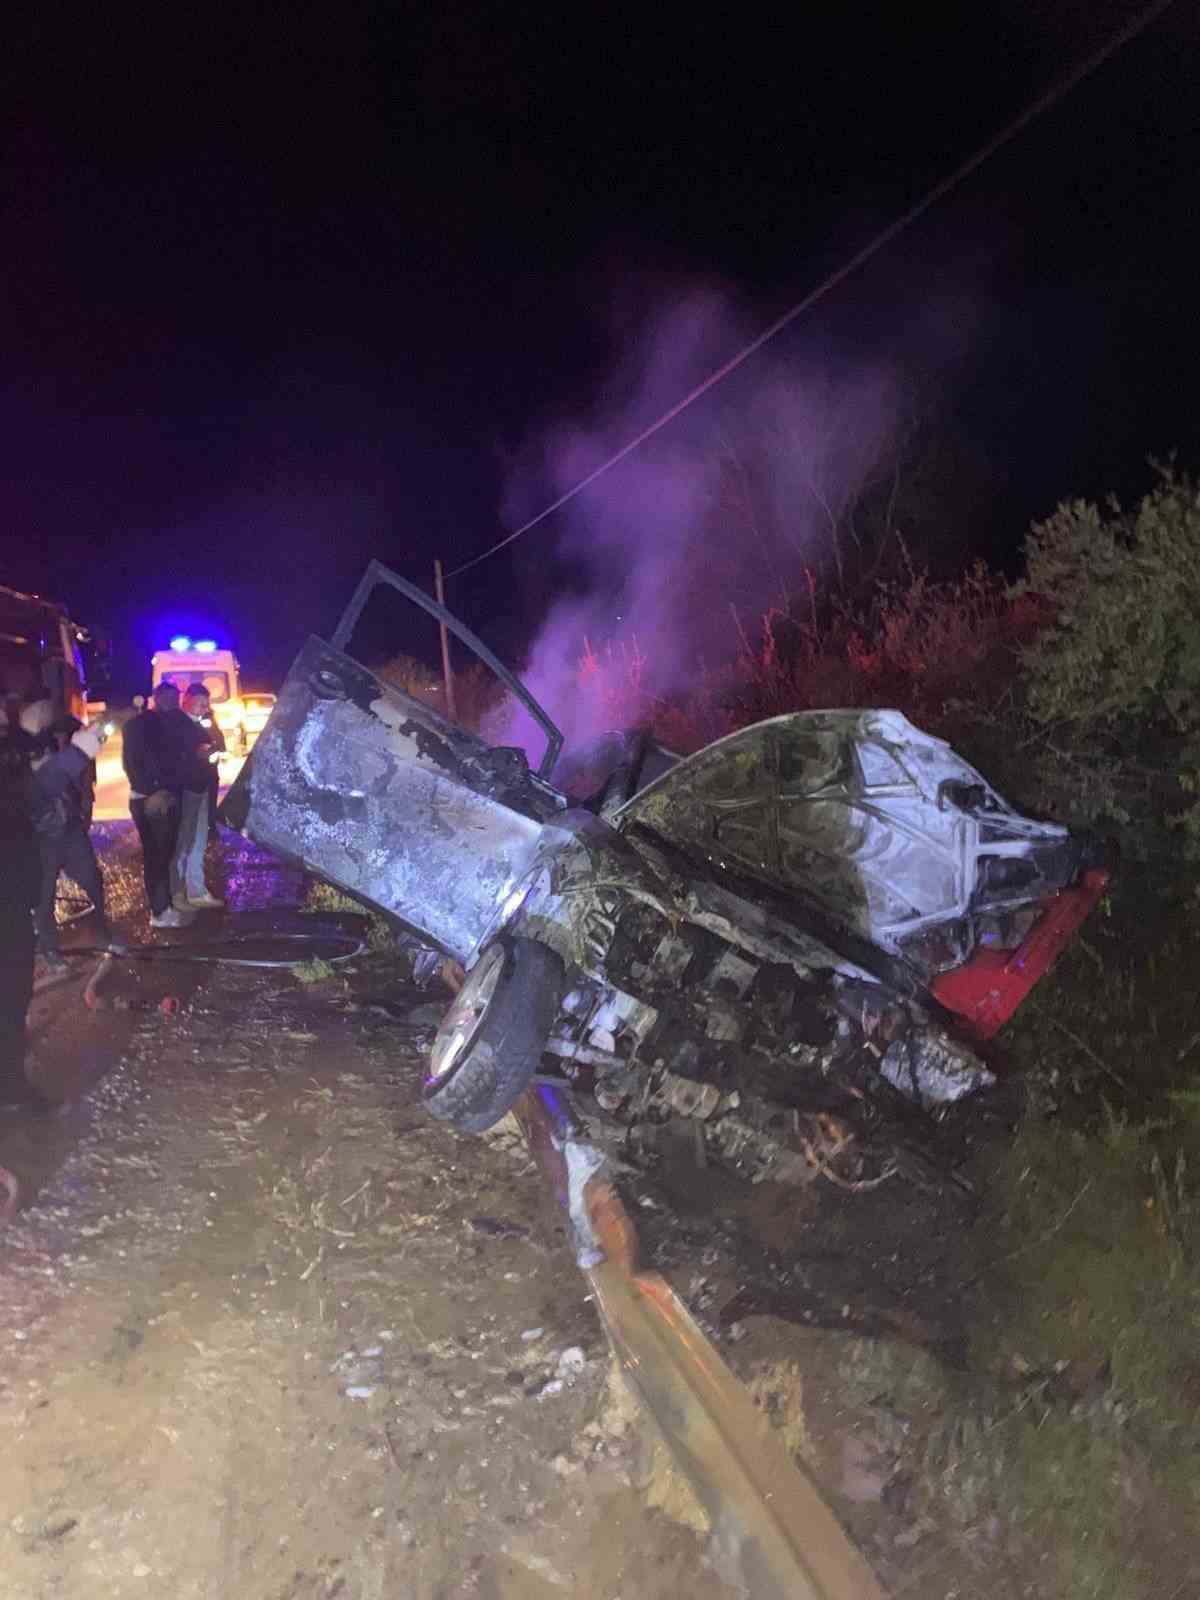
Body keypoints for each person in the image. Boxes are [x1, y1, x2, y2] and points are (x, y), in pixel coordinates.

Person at [29, 716, 127, 974]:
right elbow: (52, 777)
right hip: (42, 839)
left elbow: (78, 785)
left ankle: (102, 935)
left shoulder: (57, 750)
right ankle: (50, 949)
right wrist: (82, 748)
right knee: (43, 896)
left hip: (70, 832)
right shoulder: (29, 759)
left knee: (93, 881)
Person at [0, 708, 56, 1112]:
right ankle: (11, 1088)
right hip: (8, 901)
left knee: (14, 996)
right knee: (9, 996)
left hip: (14, 899)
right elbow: (28, 799)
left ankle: (11, 1085)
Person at [122, 682, 193, 928]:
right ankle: (160, 911)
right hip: (149, 798)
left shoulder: (176, 722)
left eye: (175, 697)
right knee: (156, 855)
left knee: (165, 853)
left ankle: (164, 906)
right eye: (168, 697)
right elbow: (132, 763)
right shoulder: (139, 725)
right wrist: (153, 790)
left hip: (168, 796)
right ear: (157, 698)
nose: (173, 701)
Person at [171, 684, 225, 911]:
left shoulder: (204, 723)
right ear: (186, 699)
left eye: (206, 704)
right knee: (183, 843)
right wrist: (200, 753)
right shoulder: (177, 723)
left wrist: (212, 731)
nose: (204, 708)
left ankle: (196, 890)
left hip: (204, 789)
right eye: (200, 703)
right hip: (186, 792)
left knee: (199, 841)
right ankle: (178, 893)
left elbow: (219, 745)